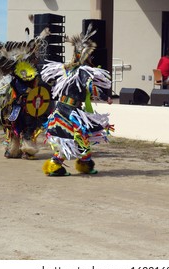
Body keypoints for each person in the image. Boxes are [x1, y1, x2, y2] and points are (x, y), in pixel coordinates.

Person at [40, 24, 114, 176]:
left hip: (61, 109)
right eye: (90, 56)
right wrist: (106, 97)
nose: (92, 58)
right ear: (85, 56)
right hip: (70, 113)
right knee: (78, 138)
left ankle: (56, 166)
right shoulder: (81, 72)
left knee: (66, 139)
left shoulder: (66, 70)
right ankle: (82, 165)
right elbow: (90, 86)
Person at [0, 30, 51, 160]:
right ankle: (13, 149)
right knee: (14, 126)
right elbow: (16, 85)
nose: (36, 59)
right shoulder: (17, 70)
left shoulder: (33, 72)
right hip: (17, 105)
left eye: (36, 57)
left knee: (30, 126)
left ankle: (28, 149)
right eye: (34, 57)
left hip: (30, 105)